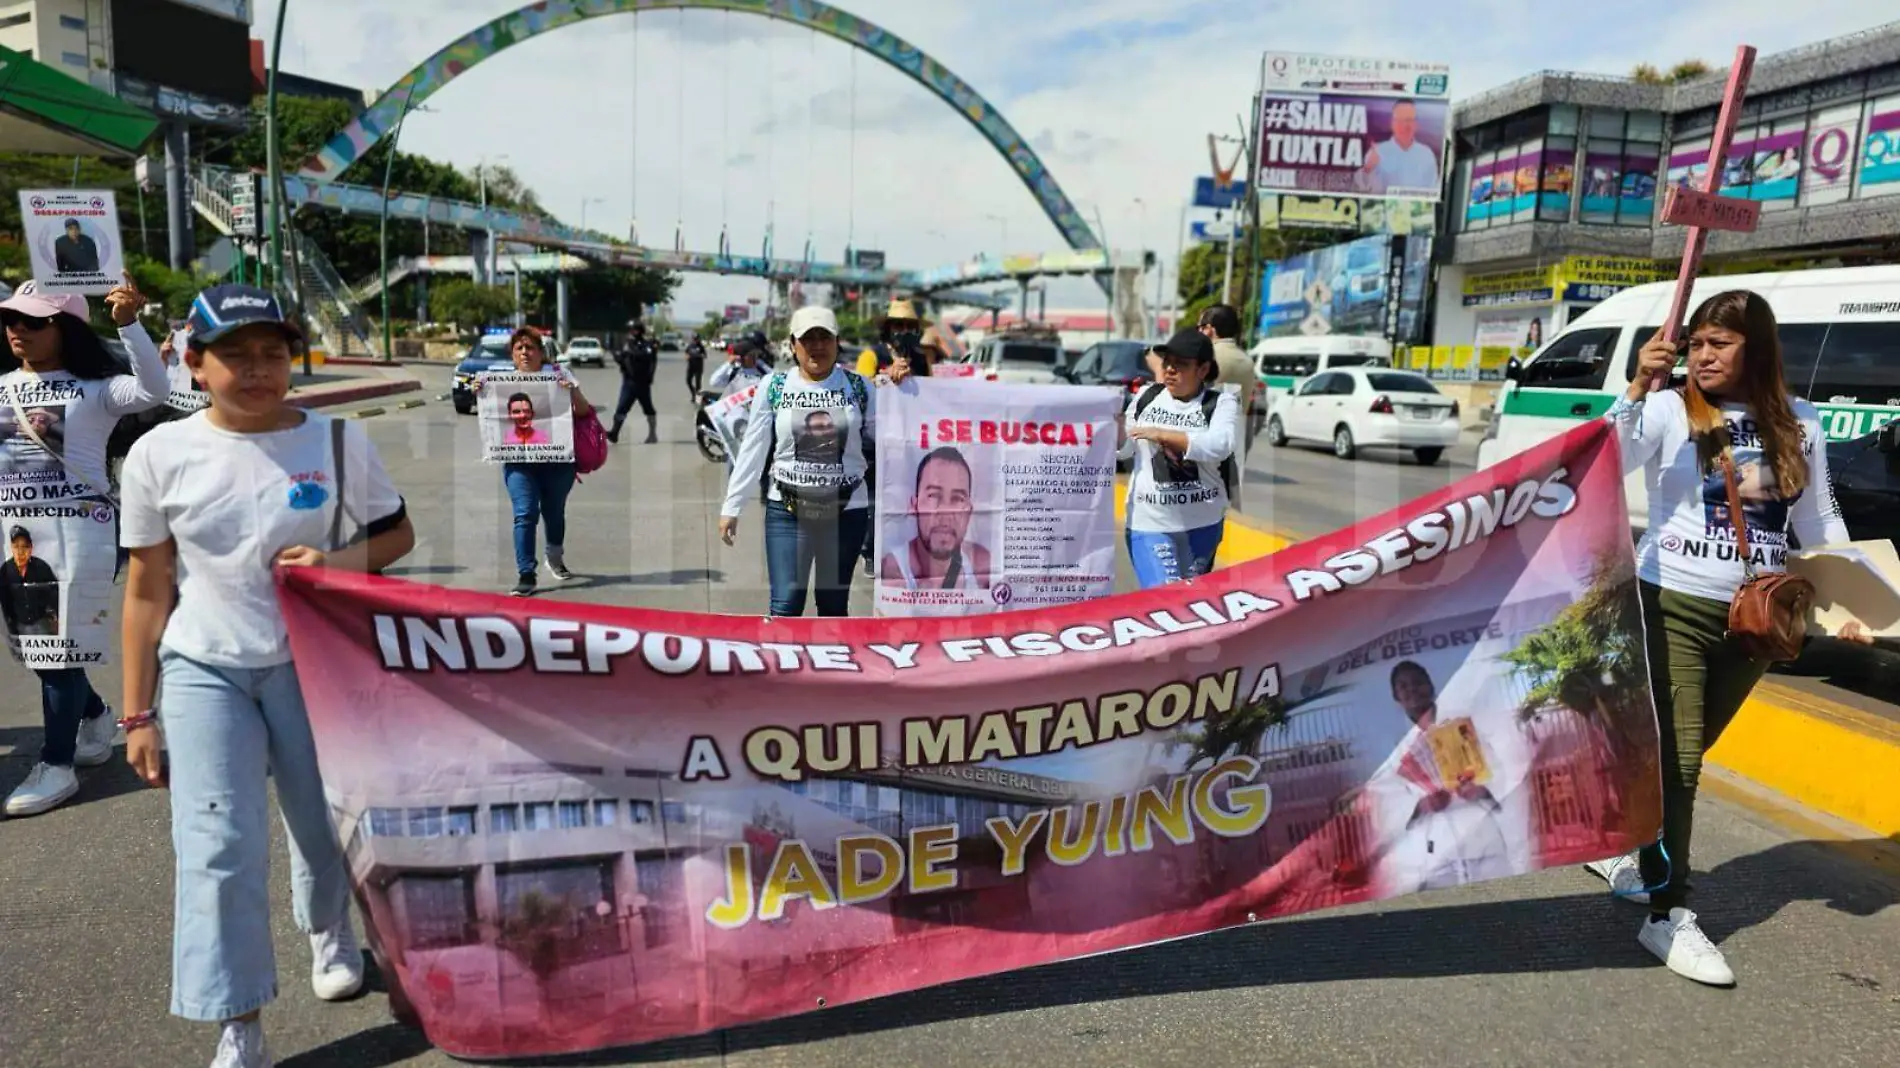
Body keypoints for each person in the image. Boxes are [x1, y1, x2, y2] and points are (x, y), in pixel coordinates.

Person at [118, 283, 415, 1068]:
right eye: (235, 355)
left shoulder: (338, 442)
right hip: (203, 665)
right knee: (215, 842)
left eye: (273, 354)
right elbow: (147, 588)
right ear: (194, 361)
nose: (258, 370)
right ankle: (237, 1019)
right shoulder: (160, 453)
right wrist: (135, 713)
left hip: (312, 661)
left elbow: (396, 534)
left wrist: (334, 560)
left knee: (324, 826)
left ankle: (329, 931)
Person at [1587, 289, 1874, 987]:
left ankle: (1631, 844)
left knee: (1686, 751)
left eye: (1720, 343)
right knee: (1682, 764)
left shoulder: (1799, 421)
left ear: (1759, 349)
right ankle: (1669, 913)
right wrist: (1637, 383)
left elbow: (1820, 516)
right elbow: (1601, 462)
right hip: (1671, 602)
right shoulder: (1668, 407)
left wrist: (1848, 599)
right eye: (1696, 343)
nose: (1702, 355)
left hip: (1759, 616)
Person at [1, 275, 163, 817]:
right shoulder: (2, 387)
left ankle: (58, 763)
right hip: (15, 540)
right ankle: (93, 717)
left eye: (32, 321)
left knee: (55, 654)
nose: (17, 330)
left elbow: (154, 391)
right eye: (9, 320)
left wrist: (129, 324)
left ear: (66, 328)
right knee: (43, 651)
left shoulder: (95, 390)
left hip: (79, 536)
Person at [720, 305, 874, 617]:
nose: (817, 345)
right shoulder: (774, 386)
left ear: (836, 341)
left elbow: (893, 443)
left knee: (832, 607)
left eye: (824, 337)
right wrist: (731, 507)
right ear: (792, 345)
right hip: (787, 510)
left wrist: (903, 386)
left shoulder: (860, 387)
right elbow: (753, 447)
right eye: (808, 338)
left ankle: (830, 666)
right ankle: (781, 667)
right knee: (786, 605)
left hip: (846, 513)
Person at [1367, 661, 1512, 892]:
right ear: (1396, 696)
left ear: (1431, 686)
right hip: (1432, 849)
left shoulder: (1461, 726)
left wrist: (1482, 790)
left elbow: (1499, 770)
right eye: (1403, 686)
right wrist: (1420, 805)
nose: (1412, 689)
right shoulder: (1395, 747)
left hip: (1480, 835)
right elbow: (1387, 802)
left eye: (1417, 682)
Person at [474, 327, 593, 596]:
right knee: (525, 513)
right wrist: (480, 392)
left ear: (541, 353)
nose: (525, 352)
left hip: (558, 462)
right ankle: (526, 573)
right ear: (513, 355)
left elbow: (584, 410)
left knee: (553, 513)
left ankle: (555, 555)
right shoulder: (499, 383)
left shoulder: (560, 376)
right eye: (519, 348)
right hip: (519, 463)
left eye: (530, 347)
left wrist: (571, 391)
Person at [1119, 328, 1241, 589]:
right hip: (1149, 522)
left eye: (1181, 364)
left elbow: (1220, 445)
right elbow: (1126, 449)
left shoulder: (1221, 403)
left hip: (1203, 525)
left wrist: (1162, 434)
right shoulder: (1146, 397)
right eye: (1168, 362)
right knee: (1165, 598)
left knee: (1189, 607)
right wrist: (1115, 428)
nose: (1171, 370)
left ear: (1203, 369)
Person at [880, 445, 992, 590]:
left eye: (957, 498)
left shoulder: (982, 565)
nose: (945, 512)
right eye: (934, 495)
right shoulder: (891, 570)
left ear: (969, 512)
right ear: (914, 506)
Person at [1197, 304, 1256, 444]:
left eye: (1199, 327)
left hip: (1202, 437)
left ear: (1209, 329)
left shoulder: (1206, 356)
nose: (1198, 332)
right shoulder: (1247, 360)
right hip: (1235, 437)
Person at [1362, 100, 1441, 195]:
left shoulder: (1427, 155)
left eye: (1408, 120)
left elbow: (1433, 192)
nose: (1404, 125)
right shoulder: (1376, 153)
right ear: (1392, 124)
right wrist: (1368, 169)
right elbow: (1361, 189)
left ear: (1416, 124)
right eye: (1399, 120)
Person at [1, 525, 60, 636]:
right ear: (11, 548)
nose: (20, 551)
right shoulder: (5, 570)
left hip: (42, 623)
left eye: (25, 546)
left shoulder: (42, 567)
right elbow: (3, 600)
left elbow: (54, 593)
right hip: (17, 626)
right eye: (16, 546)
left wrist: (58, 618)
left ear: (31, 548)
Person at [608, 319, 658, 445]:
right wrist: (614, 352)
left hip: (643, 383)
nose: (632, 332)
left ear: (640, 330)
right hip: (629, 382)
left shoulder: (647, 345)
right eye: (631, 330)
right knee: (621, 408)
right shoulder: (627, 344)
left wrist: (650, 376)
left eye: (634, 329)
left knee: (648, 409)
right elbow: (620, 359)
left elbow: (650, 360)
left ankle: (652, 434)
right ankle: (615, 433)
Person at [856, 298, 929, 379]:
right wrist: (885, 377)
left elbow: (929, 387)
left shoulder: (920, 359)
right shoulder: (870, 356)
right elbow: (860, 387)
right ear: (887, 328)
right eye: (899, 325)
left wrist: (911, 374)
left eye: (910, 326)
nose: (905, 331)